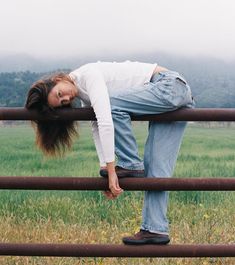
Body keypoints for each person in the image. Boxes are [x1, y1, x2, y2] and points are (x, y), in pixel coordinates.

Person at [25, 60, 195, 245]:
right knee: (157, 167)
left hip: (169, 85)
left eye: (59, 94)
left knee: (111, 104)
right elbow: (96, 126)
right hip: (172, 95)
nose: (65, 99)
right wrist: (104, 168)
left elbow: (106, 119)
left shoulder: (88, 75)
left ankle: (131, 163)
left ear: (58, 79)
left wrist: (114, 170)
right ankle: (155, 229)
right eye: (61, 103)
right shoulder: (84, 95)